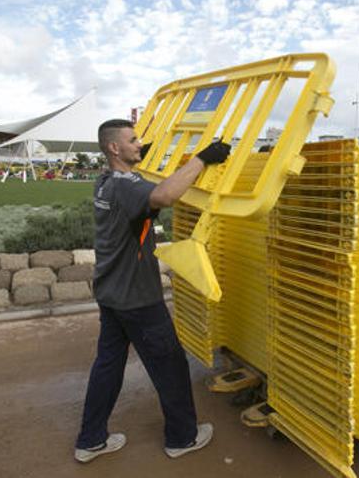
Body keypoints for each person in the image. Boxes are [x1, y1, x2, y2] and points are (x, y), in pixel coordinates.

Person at [74, 119, 231, 464]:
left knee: (108, 366)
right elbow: (164, 195)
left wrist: (147, 154)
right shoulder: (128, 187)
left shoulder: (104, 183)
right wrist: (203, 158)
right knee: (170, 367)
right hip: (138, 299)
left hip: (111, 295)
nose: (138, 145)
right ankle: (182, 437)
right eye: (133, 141)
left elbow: (145, 201)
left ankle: (90, 440)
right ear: (114, 148)